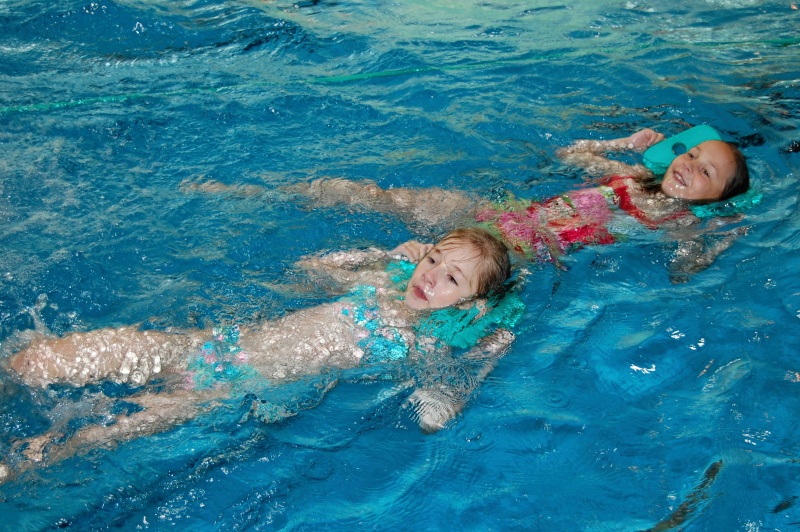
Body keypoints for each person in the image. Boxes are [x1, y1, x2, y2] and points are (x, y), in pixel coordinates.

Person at [2, 228, 523, 481]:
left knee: (93, 434)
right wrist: (379, 254)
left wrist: (493, 348)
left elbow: (437, 413)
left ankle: (17, 466)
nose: (430, 276)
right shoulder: (380, 281)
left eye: (452, 278)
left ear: (473, 303)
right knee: (41, 359)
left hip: (219, 389)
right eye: (433, 259)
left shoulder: (426, 344)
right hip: (206, 345)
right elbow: (309, 268)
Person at [284, 128, 751, 278]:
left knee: (429, 271)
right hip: (503, 213)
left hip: (520, 249)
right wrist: (623, 143)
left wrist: (724, 237)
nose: (689, 165)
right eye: (692, 154)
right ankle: (286, 189)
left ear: (716, 197)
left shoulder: (680, 222)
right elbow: (569, 153)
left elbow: (684, 270)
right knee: (388, 198)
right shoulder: (631, 174)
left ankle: (341, 271)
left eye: (706, 172)